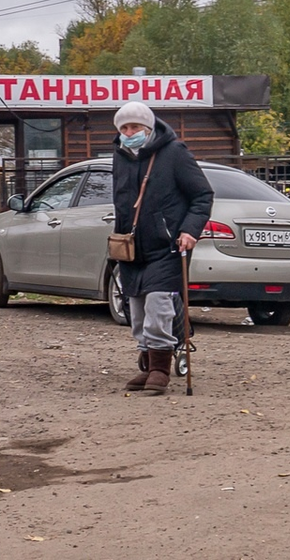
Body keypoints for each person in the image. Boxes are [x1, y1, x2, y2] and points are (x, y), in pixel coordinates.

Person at [111, 101, 213, 395]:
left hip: (167, 245)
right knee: (137, 309)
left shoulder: (173, 154)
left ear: (148, 128)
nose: (129, 133)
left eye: (135, 127)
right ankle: (147, 364)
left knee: (158, 303)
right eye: (124, 128)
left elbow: (202, 195)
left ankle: (160, 369)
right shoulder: (120, 157)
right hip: (131, 247)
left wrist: (189, 230)